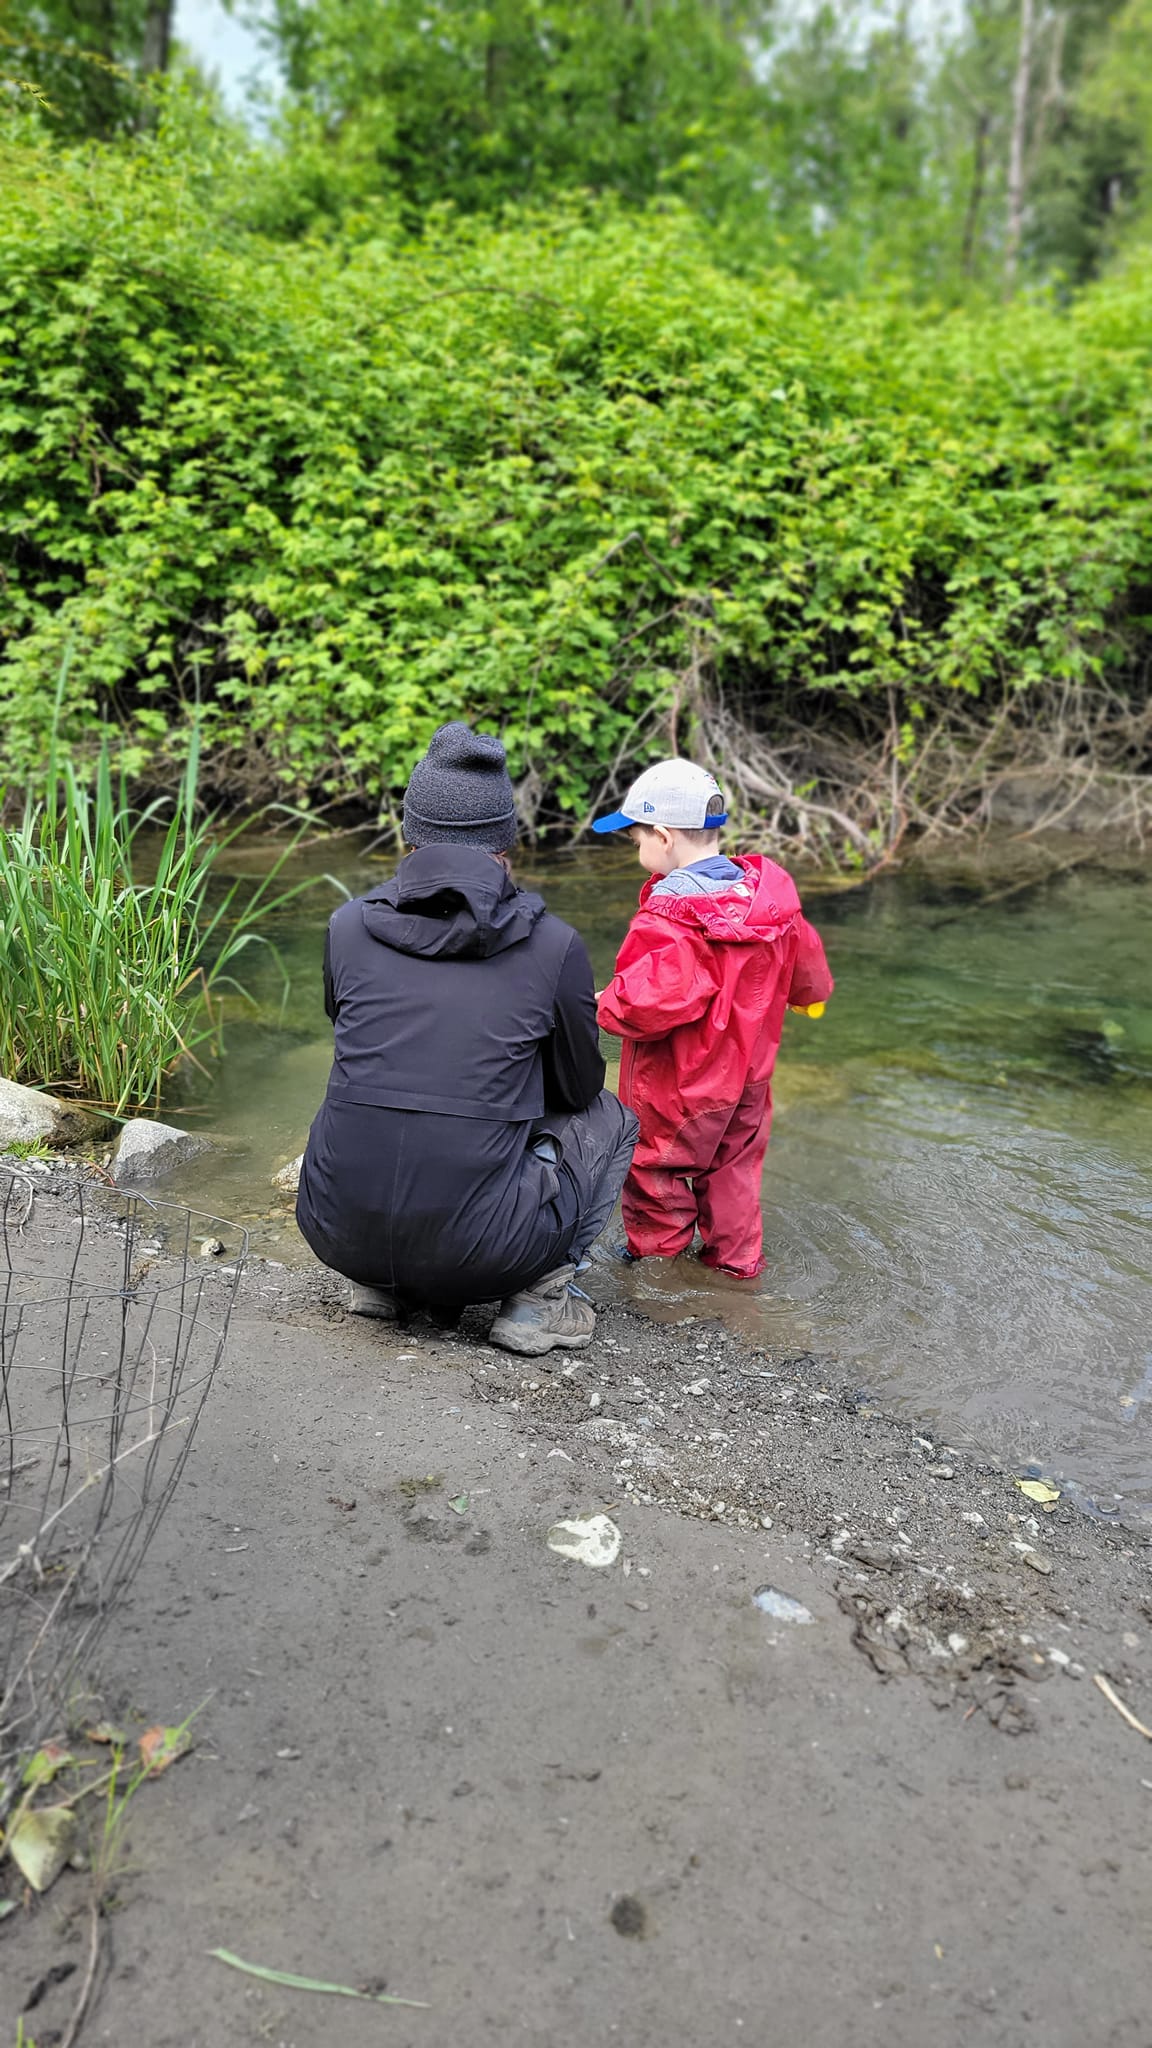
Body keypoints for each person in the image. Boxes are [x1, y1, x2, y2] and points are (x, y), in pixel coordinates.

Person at [297, 723, 638, 1355]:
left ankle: (384, 1285)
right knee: (612, 1116)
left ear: (410, 834)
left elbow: (352, 1030)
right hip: (484, 1257)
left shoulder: (346, 927)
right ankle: (539, 1301)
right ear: (506, 843)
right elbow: (579, 1087)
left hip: (336, 1233)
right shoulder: (554, 946)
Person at [593, 758, 833, 1280]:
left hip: (680, 1085)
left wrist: (603, 1004)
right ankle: (736, 1267)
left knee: (657, 1168)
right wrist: (809, 997)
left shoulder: (670, 917)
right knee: (734, 1174)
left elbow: (652, 1003)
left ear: (662, 836)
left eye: (636, 840)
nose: (637, 850)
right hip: (749, 1082)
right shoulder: (769, 905)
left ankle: (657, 1267)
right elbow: (808, 966)